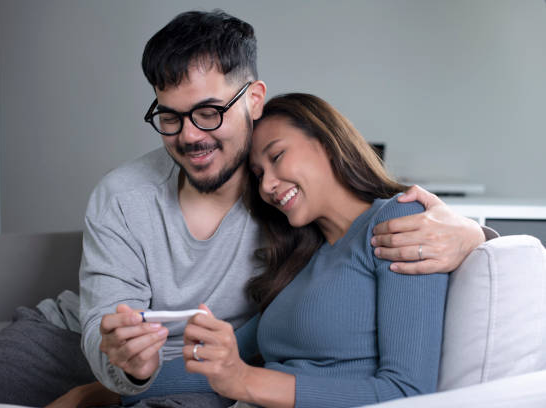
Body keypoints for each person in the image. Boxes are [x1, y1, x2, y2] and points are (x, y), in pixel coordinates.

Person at [0, 9, 489, 408]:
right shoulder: (124, 193)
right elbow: (106, 331)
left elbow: (391, 230)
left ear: (252, 98)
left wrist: (472, 236)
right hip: (90, 344)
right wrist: (109, 381)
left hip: (202, 369)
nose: (190, 136)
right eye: (170, 116)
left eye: (207, 112)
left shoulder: (291, 199)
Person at [176, 92, 447, 408]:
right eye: (258, 174)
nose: (266, 186)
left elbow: (407, 393)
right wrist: (125, 384)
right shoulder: (300, 261)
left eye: (276, 157)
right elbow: (215, 367)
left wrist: (246, 381)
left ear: (326, 142)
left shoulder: (396, 219)